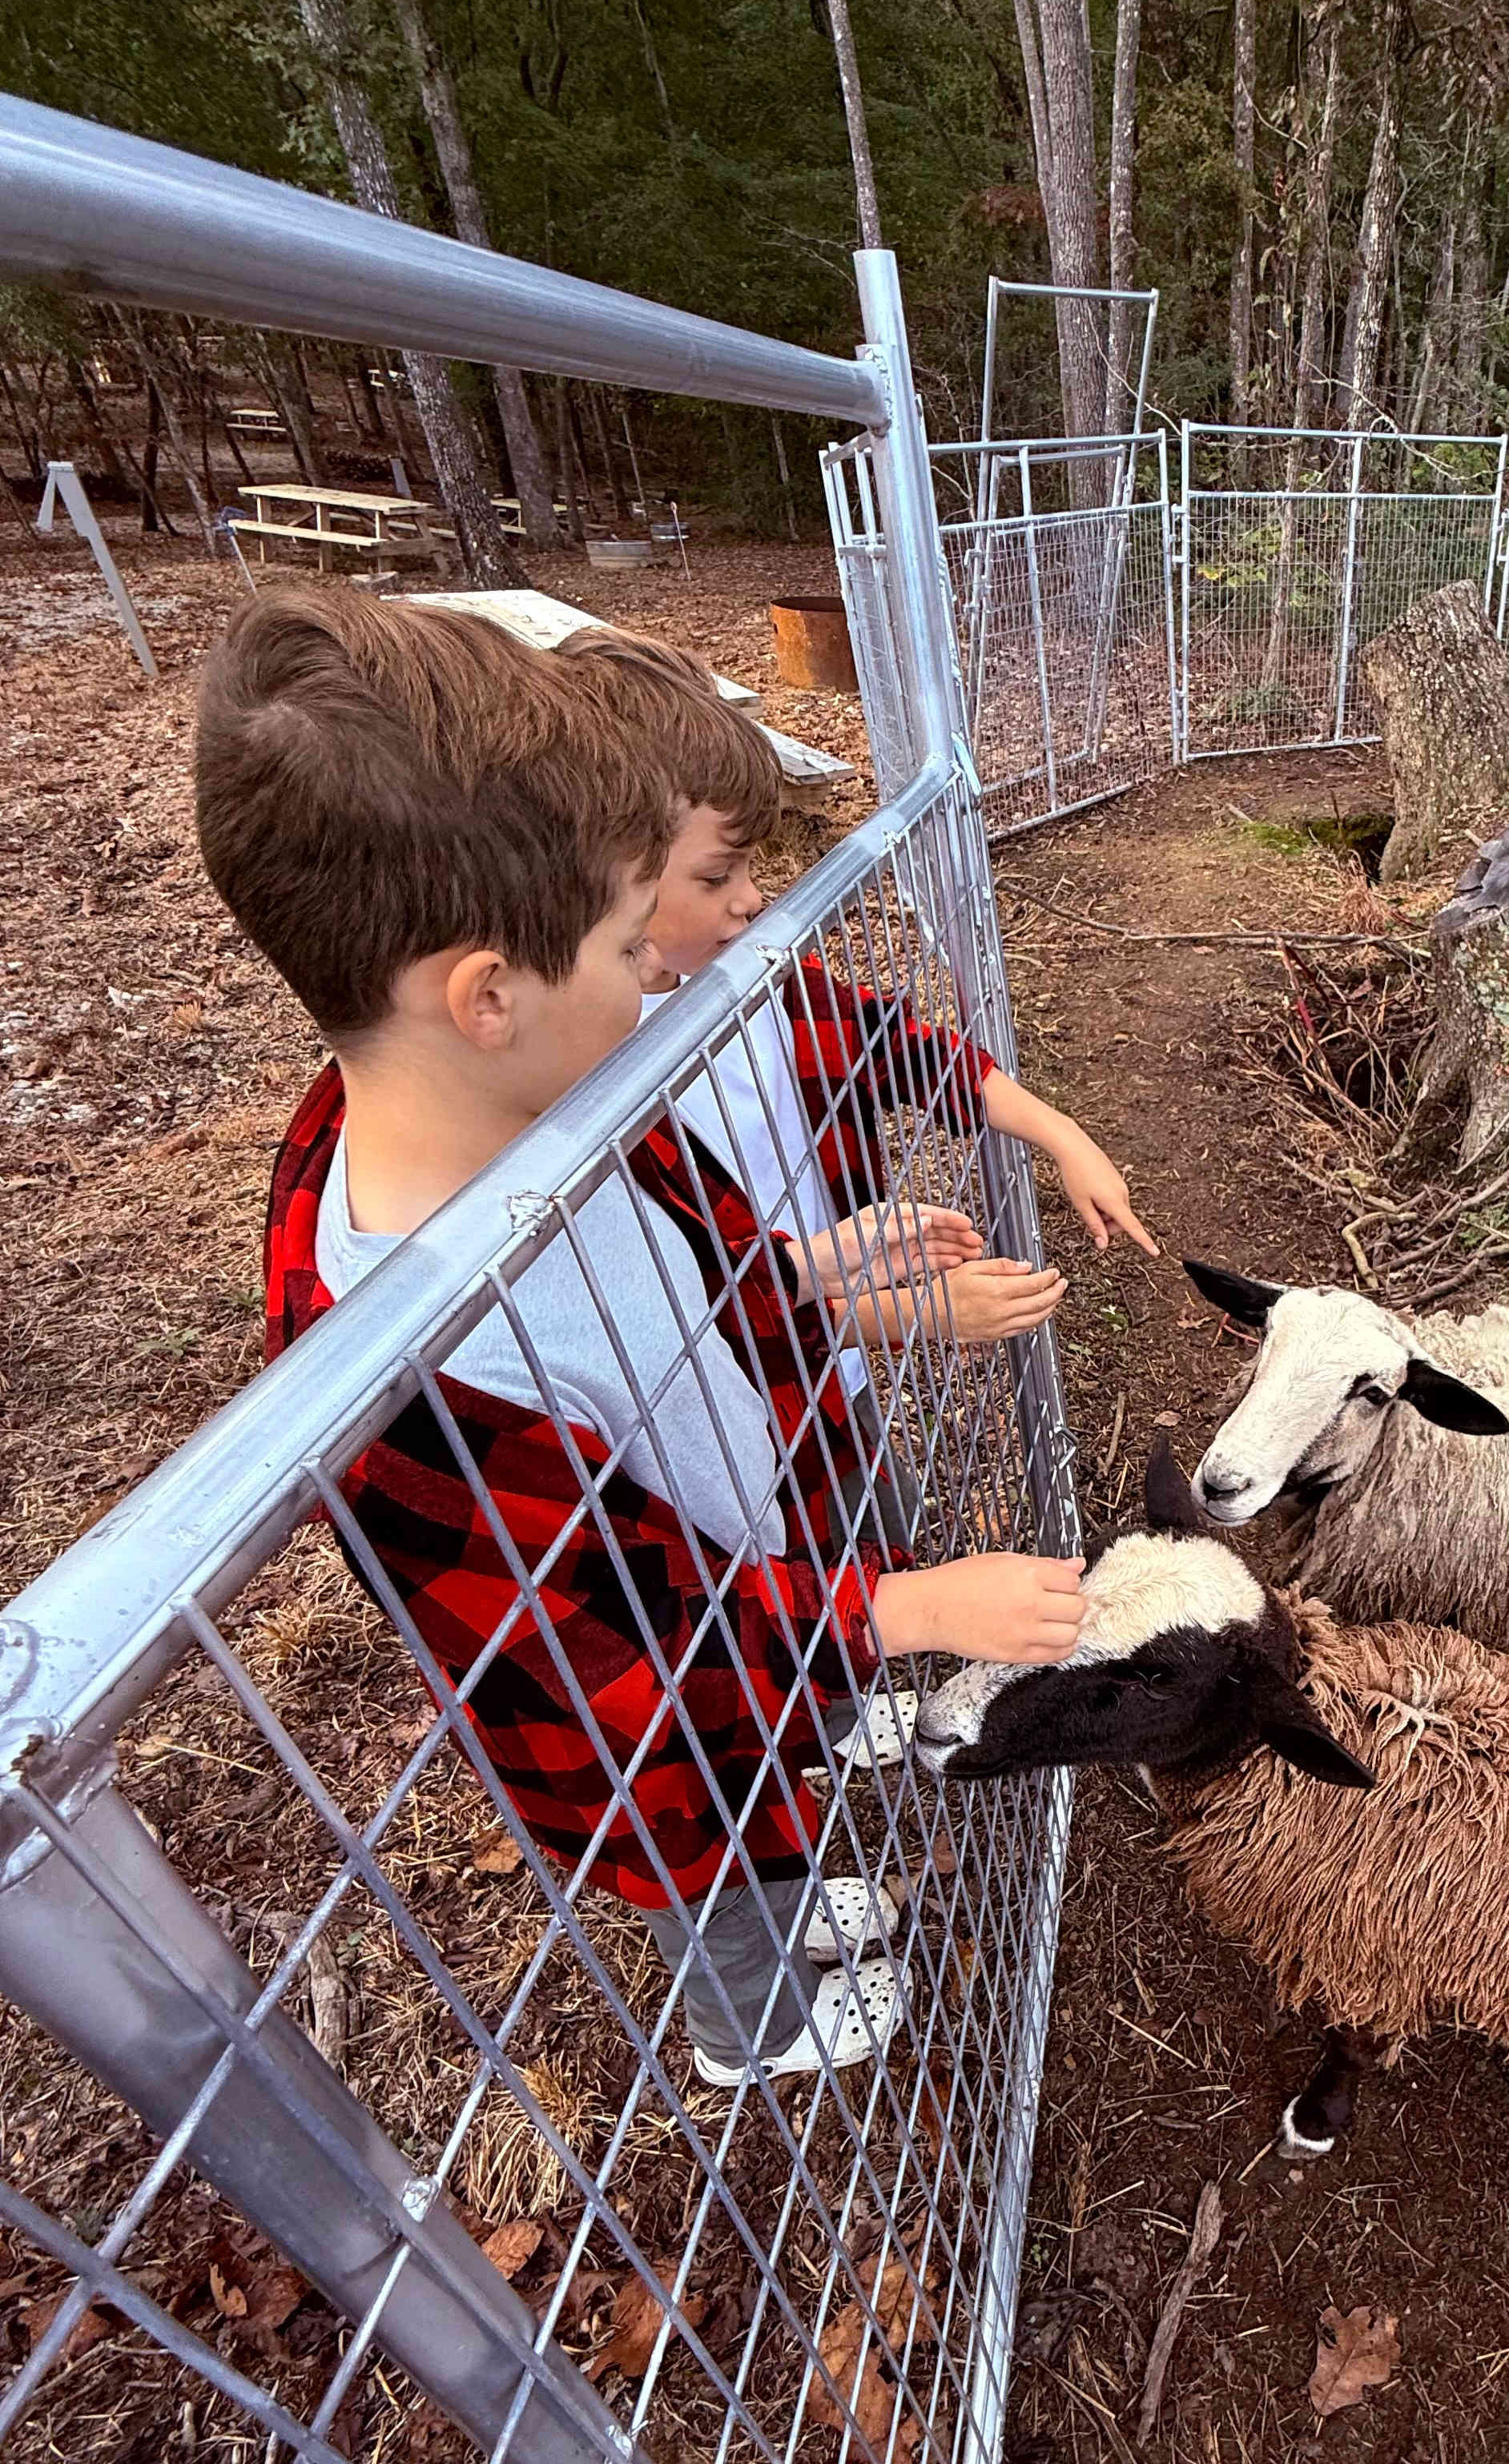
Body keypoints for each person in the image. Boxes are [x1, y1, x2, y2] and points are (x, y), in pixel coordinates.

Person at [196, 589, 1084, 2090]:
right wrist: (906, 1613)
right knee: (700, 1857)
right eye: (626, 943)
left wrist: (803, 1271)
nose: (658, 979)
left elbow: (687, 1286)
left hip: (753, 1600)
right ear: (486, 994)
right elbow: (641, 1653)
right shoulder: (406, 1383)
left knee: (759, 1798)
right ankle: (754, 2025)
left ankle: (793, 1900)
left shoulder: (566, 1111)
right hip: (639, 1731)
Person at [556, 623, 1156, 1762]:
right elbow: (690, 1321)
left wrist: (1061, 1134)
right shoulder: (588, 1075)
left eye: (755, 869)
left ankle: (839, 1697)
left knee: (861, 1519)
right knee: (764, 1577)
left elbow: (904, 1047)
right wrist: (919, 1313)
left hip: (832, 1358)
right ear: (607, 875)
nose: (754, 902)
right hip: (735, 1414)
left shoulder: (755, 979)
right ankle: (805, 1720)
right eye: (717, 876)